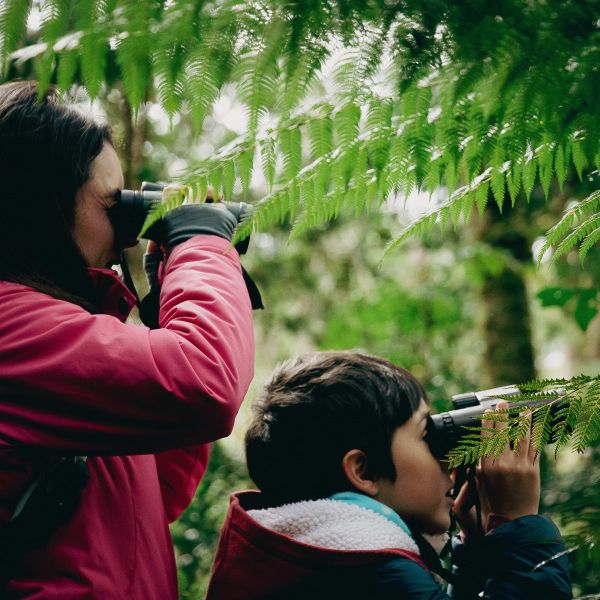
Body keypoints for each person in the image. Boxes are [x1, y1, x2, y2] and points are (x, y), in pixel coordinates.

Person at [0, 80, 254, 598]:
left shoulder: (49, 329)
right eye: (113, 207)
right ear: (42, 205)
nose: (128, 233)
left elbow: (152, 495)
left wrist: (167, 306)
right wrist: (203, 243)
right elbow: (205, 386)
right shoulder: (9, 324)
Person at [205, 351, 572, 599]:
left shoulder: (320, 558)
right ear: (363, 471)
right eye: (425, 434)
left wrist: (481, 550)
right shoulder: (371, 572)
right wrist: (521, 527)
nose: (448, 460)